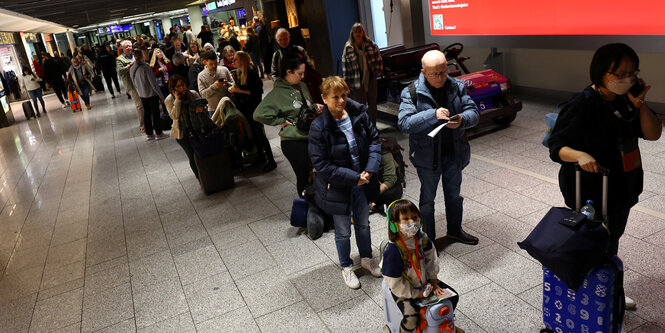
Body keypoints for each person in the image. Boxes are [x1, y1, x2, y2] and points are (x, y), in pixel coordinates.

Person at [548, 43, 662, 310]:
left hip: (622, 185)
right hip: (589, 190)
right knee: (592, 241)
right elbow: (556, 146)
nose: (627, 79)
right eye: (619, 73)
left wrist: (641, 103)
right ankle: (589, 291)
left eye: (632, 73)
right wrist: (579, 155)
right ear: (601, 72)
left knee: (612, 239)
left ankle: (608, 289)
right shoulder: (583, 103)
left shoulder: (627, 100)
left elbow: (654, 133)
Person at [397, 50, 480, 247]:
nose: (442, 77)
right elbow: (404, 122)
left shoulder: (456, 86)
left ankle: (455, 231)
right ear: (424, 72)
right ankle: (428, 239)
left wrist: (461, 120)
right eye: (435, 74)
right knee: (427, 200)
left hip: (454, 152)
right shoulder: (411, 92)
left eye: (444, 72)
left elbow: (474, 113)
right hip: (428, 156)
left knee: (454, 195)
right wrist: (432, 114)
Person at [308, 75, 382, 288]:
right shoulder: (318, 127)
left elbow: (375, 141)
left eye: (343, 95)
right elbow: (321, 165)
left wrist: (369, 170)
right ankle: (346, 267)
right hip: (338, 186)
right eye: (335, 97)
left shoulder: (358, 114)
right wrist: (354, 178)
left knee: (363, 224)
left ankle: (367, 259)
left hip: (363, 181)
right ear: (324, 98)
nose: (340, 101)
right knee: (342, 231)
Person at [381, 199, 462, 333]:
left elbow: (432, 260)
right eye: (405, 219)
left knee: (453, 297)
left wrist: (434, 282)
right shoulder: (393, 251)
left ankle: (446, 321)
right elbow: (395, 283)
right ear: (394, 225)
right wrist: (416, 293)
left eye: (414, 217)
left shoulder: (422, 239)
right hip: (404, 289)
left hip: (425, 283)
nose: (412, 222)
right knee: (412, 318)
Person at [254, 53, 316, 197]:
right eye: (299, 73)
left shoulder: (302, 86)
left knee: (312, 175)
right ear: (289, 71)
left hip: (309, 135)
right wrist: (280, 121)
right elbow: (258, 114)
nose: (302, 76)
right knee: (303, 177)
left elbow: (307, 105)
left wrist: (314, 106)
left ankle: (317, 207)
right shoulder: (277, 93)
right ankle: (306, 209)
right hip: (292, 141)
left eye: (303, 73)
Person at [230, 51, 276, 171]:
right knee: (254, 134)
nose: (233, 61)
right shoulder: (239, 73)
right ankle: (261, 156)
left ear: (242, 61)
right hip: (245, 108)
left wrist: (239, 91)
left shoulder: (251, 73)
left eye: (236, 59)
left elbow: (257, 92)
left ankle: (271, 160)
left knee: (259, 134)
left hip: (254, 107)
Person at [165, 74, 215, 179]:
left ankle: (210, 175)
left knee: (204, 151)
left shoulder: (193, 94)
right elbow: (174, 116)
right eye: (178, 86)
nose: (182, 88)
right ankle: (201, 178)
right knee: (192, 155)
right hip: (182, 132)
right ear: (173, 89)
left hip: (198, 127)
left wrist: (201, 109)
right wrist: (178, 100)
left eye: (182, 84)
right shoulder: (169, 100)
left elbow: (204, 107)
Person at [342, 23, 383, 124]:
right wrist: (347, 84)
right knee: (361, 106)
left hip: (370, 79)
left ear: (363, 32)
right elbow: (345, 67)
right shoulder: (349, 48)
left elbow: (379, 59)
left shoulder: (370, 44)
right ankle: (364, 128)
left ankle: (373, 126)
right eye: (355, 32)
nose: (358, 33)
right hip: (357, 81)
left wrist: (377, 72)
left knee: (373, 104)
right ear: (352, 33)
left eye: (359, 31)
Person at [131, 49, 168, 141]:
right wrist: (161, 95)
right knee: (155, 114)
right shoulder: (145, 68)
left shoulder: (132, 69)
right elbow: (153, 84)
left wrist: (139, 92)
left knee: (146, 114)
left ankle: (149, 134)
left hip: (142, 95)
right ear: (142, 56)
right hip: (151, 94)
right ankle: (159, 133)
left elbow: (134, 83)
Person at [116, 40, 145, 132]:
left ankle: (149, 122)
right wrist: (130, 65)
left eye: (130, 46)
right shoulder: (120, 59)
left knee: (146, 102)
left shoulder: (137, 55)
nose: (129, 48)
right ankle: (143, 126)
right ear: (123, 49)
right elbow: (120, 71)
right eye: (127, 47)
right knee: (139, 104)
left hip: (142, 82)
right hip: (131, 85)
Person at [197, 51, 234, 116]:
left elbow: (233, 84)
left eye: (215, 63)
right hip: (213, 109)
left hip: (228, 105)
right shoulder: (201, 76)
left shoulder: (224, 69)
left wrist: (227, 84)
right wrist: (214, 86)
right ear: (205, 62)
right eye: (211, 64)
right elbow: (203, 94)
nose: (214, 66)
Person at [369, 150, 404, 215]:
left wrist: (371, 198)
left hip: (388, 185)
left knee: (391, 194)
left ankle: (377, 203)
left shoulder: (384, 152)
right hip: (367, 185)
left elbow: (390, 179)